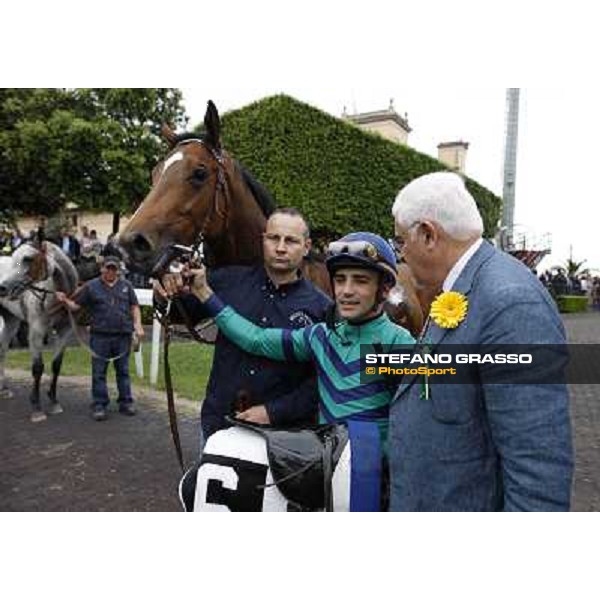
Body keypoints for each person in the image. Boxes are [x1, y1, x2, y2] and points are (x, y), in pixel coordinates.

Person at [390, 171, 573, 511]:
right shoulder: (461, 288)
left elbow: (538, 467)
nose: (401, 253)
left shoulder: (511, 304)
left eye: (401, 241)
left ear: (428, 235)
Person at [165, 231, 415, 456]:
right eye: (340, 280)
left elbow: (442, 402)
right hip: (324, 475)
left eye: (360, 280)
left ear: (383, 289)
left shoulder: (397, 342)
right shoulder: (320, 337)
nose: (346, 291)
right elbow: (256, 339)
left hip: (373, 483)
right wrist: (204, 293)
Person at [158, 208, 332, 442]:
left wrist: (274, 411)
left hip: (281, 436)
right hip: (218, 424)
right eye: (273, 238)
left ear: (307, 246)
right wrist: (166, 289)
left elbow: (324, 380)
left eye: (290, 240)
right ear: (263, 240)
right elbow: (180, 311)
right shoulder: (227, 281)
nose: (280, 248)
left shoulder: (323, 308)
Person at [56, 255, 145, 421]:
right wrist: (64, 301)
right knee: (98, 373)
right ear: (102, 268)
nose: (110, 271)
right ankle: (99, 404)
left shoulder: (126, 286)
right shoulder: (91, 286)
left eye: (114, 268)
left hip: (122, 335)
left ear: (118, 270)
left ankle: (126, 402)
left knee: (123, 371)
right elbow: (76, 306)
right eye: (108, 268)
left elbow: (134, 306)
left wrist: (138, 325)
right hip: (100, 336)